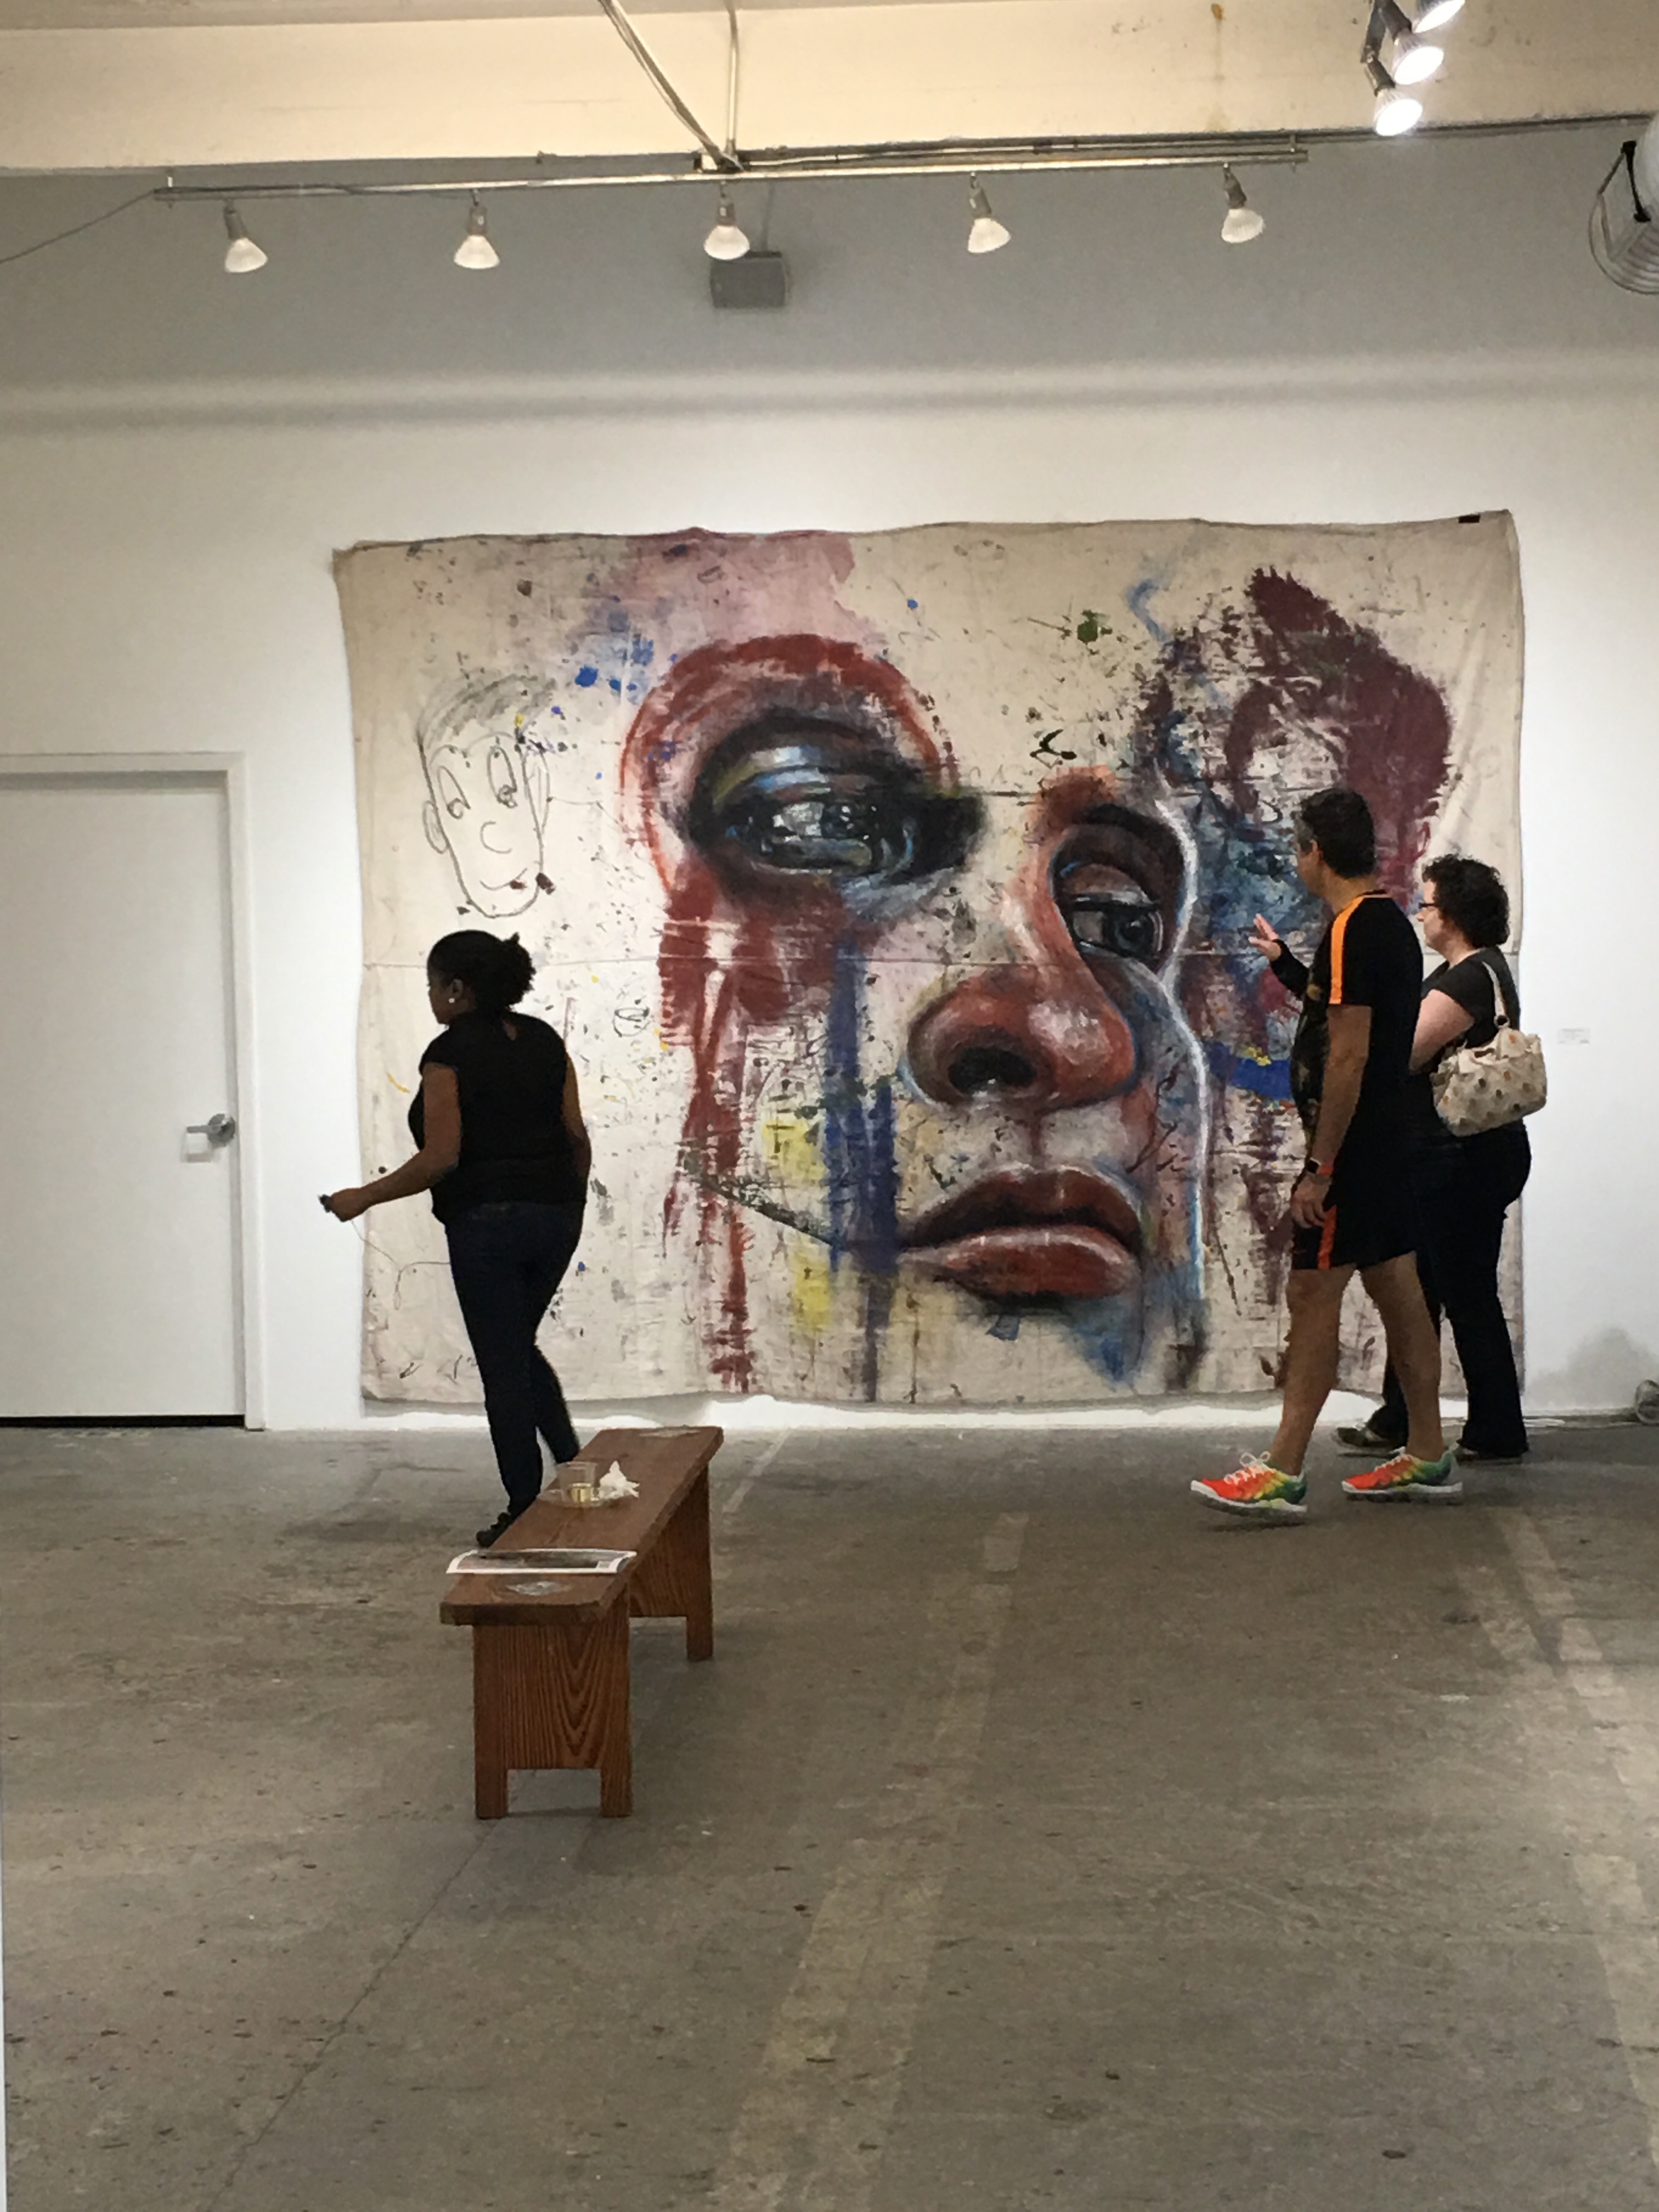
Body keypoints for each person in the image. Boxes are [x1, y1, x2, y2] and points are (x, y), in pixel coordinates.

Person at [1190, 787, 1456, 1520]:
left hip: (1357, 1154)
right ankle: (1429, 1450)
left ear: (1315, 852)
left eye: (1297, 849)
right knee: (1400, 1292)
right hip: (1389, 1143)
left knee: (1312, 1294)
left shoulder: (1351, 931)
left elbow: (1348, 1057)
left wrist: (1322, 1168)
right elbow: (1339, 1013)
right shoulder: (1386, 925)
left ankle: (1282, 1468)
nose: (1296, 861)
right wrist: (1284, 962)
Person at [326, 930, 591, 1547]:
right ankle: (576, 1473)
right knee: (517, 1348)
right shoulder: (545, 1041)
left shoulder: (448, 1054)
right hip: (556, 1217)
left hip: (487, 1225)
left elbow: (441, 1157)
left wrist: (362, 1197)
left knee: (503, 1366)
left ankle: (524, 1509)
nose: (429, 997)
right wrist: (567, 1205)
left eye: (431, 986)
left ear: (456, 989)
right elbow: (576, 1137)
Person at [1338, 855, 1531, 1463]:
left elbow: (1407, 1052)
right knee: (1424, 1290)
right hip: (1461, 1155)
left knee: (1460, 1291)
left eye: (1427, 905)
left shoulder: (1470, 977)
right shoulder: (1468, 972)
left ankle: (1494, 1428)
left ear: (1453, 914)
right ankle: (1402, 1417)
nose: (1420, 915)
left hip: (1462, 1158)